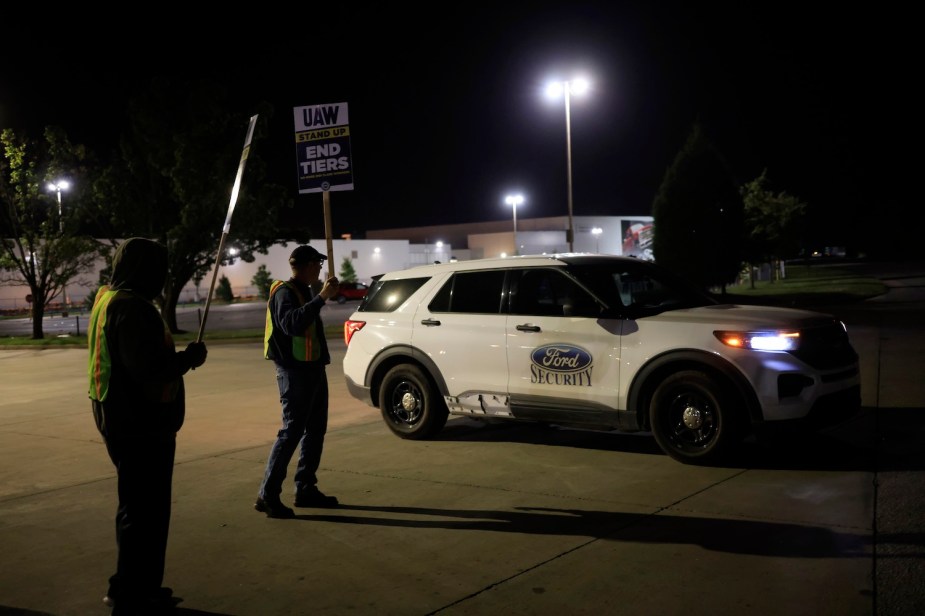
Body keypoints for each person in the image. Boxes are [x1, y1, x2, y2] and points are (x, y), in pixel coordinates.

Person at [87, 237, 208, 615]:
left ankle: (135, 586)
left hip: (116, 415)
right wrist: (187, 360)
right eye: (159, 269)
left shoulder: (107, 298)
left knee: (138, 508)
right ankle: (131, 593)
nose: (163, 277)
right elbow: (149, 369)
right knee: (146, 513)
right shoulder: (133, 308)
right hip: (140, 425)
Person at [256, 244, 340, 518]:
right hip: (294, 373)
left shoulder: (304, 290)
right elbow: (290, 324)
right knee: (292, 431)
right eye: (317, 264)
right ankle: (267, 494)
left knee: (315, 431)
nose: (320, 268)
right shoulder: (284, 292)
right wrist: (322, 298)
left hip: (312, 369)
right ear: (304, 266)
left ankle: (305, 488)